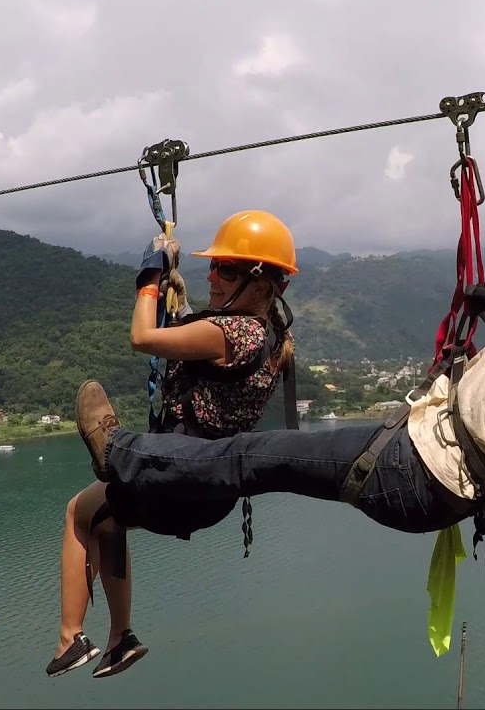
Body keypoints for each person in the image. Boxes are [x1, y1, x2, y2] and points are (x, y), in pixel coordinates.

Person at [69, 74, 485, 613]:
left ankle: (120, 453)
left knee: (253, 455)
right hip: (429, 470)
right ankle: (139, 468)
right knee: (255, 459)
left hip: (416, 468)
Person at [46, 209, 300, 680]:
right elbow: (204, 354)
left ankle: (70, 637)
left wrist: (150, 277)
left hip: (178, 473)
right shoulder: (271, 336)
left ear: (261, 283)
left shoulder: (234, 332)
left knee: (76, 511)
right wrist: (179, 300)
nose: (213, 277)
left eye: (226, 270)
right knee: (107, 519)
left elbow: (143, 337)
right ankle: (120, 639)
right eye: (214, 267)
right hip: (209, 487)